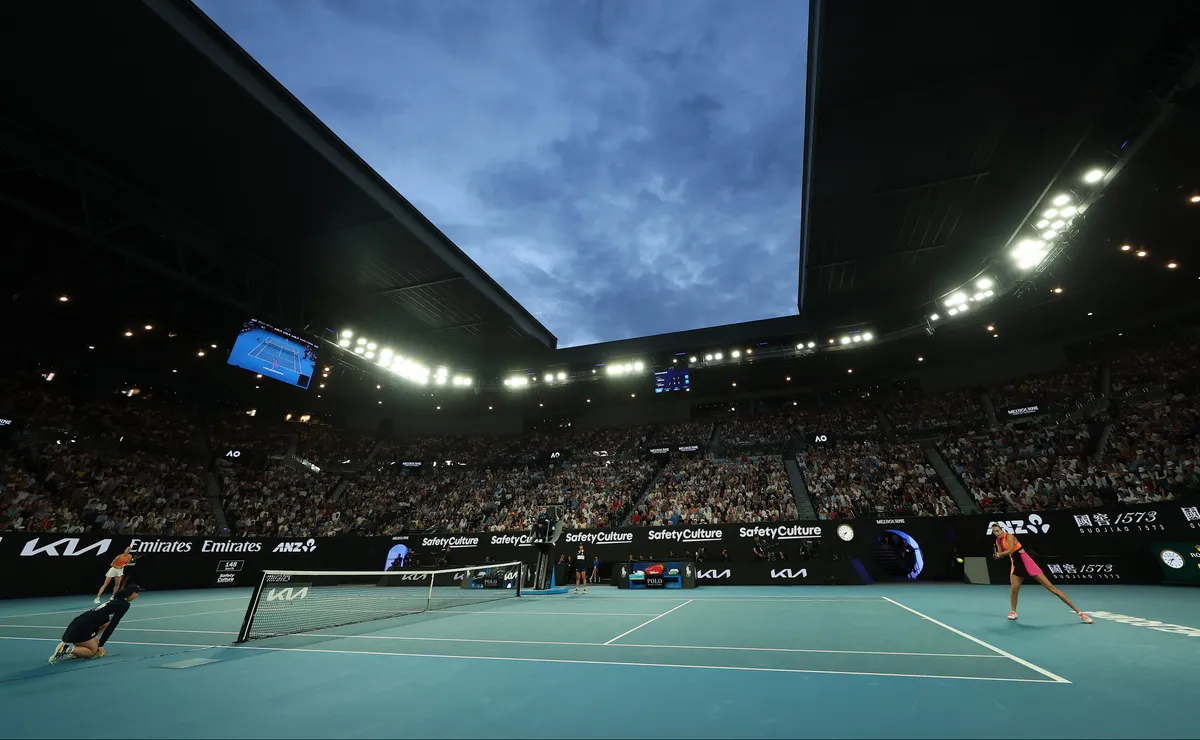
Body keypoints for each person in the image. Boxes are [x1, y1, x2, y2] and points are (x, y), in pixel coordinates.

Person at [991, 524, 1092, 624]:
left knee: (1052, 589)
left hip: (1027, 562)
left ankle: (1080, 613)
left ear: (1002, 529)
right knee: (1014, 589)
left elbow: (1010, 550)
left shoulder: (1009, 536)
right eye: (994, 532)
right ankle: (1013, 611)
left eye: (997, 530)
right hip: (1016, 565)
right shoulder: (998, 541)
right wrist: (997, 556)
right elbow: (1001, 554)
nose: (996, 533)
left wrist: (1000, 554)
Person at [50, 584, 144, 664]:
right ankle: (67, 649)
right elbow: (112, 625)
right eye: (136, 593)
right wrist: (101, 645)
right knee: (92, 652)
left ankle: (76, 651)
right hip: (83, 628)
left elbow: (106, 625)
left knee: (98, 637)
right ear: (130, 593)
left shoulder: (116, 601)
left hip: (78, 623)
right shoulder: (124, 604)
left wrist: (98, 642)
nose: (137, 595)